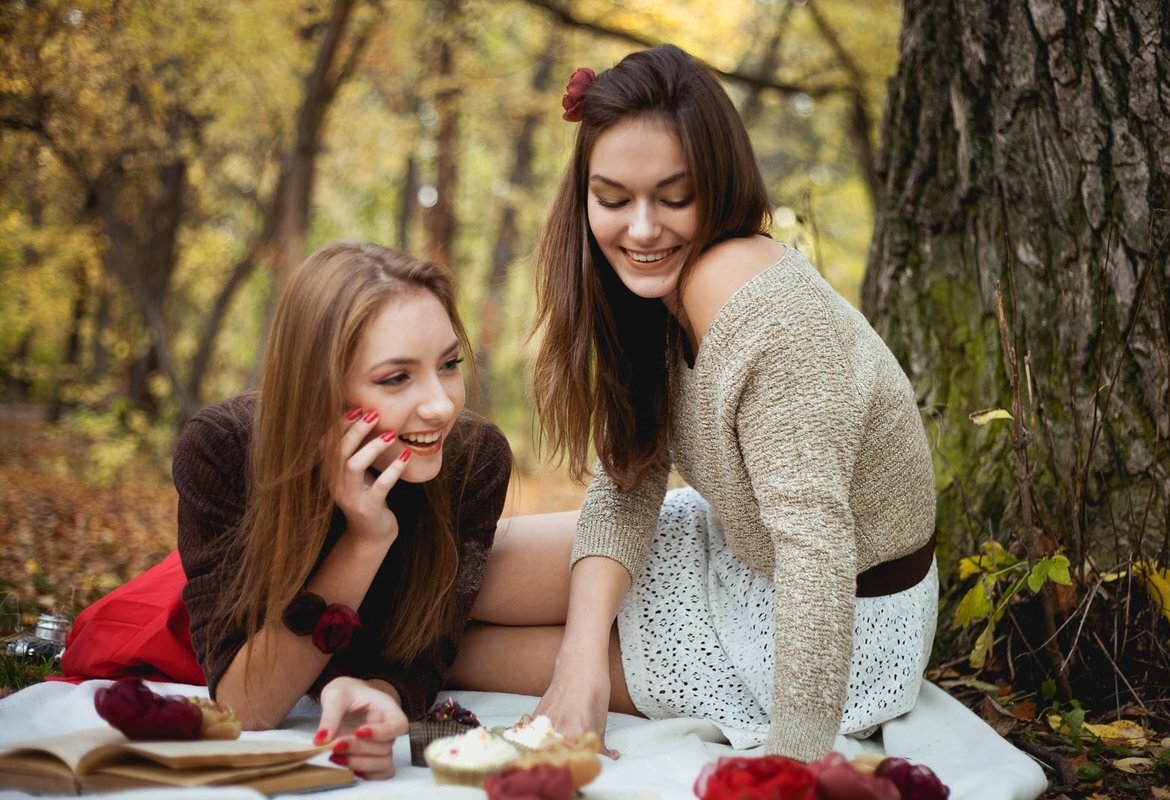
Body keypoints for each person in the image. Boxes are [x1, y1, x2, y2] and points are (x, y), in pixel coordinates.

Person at [457, 45, 939, 763]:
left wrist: (793, 764)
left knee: (455, 651)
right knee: (438, 575)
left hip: (832, 625)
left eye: (673, 197)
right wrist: (580, 658)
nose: (642, 229)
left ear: (718, 185)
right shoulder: (652, 293)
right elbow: (629, 482)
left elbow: (817, 550)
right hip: (732, 548)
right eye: (613, 199)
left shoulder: (765, 313)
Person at [173, 242, 514, 780]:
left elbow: (425, 659)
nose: (443, 405)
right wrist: (364, 539)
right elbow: (246, 706)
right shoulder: (223, 450)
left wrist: (379, 696)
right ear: (320, 385)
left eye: (449, 364)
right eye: (396, 378)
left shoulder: (474, 459)